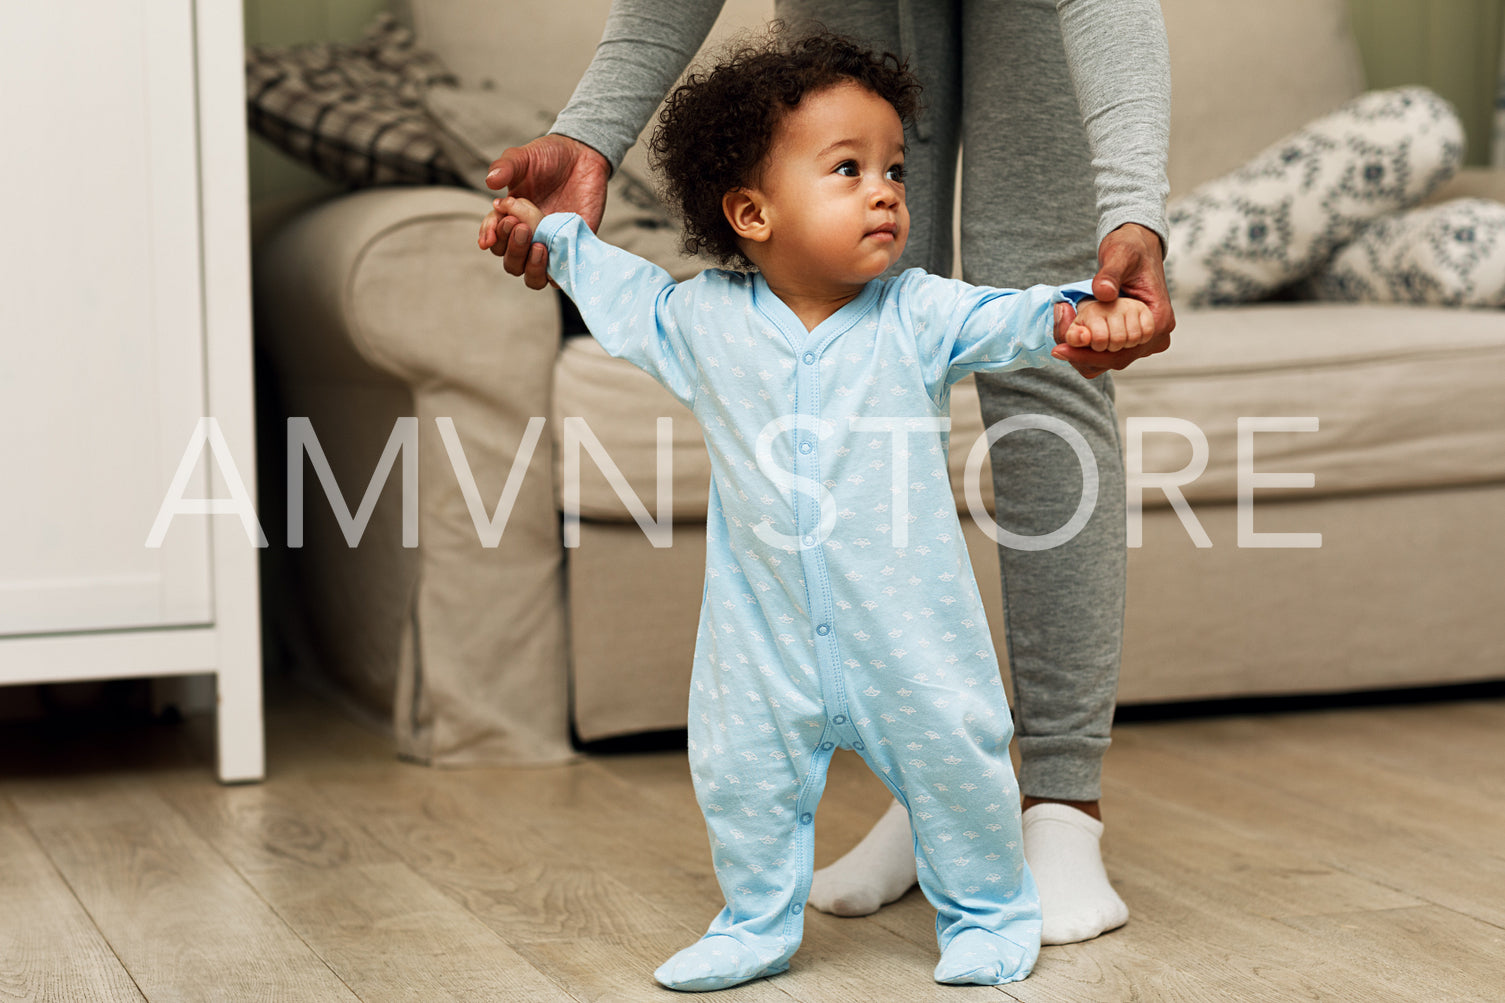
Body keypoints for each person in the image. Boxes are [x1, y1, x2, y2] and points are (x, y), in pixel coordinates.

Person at [486, 0, 1174, 949]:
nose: (889, 188)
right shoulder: (708, 321)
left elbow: (1033, 312)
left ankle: (1055, 807)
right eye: (865, 173)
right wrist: (588, 143)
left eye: (893, 172)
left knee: (1023, 364)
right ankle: (928, 800)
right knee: (860, 276)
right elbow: (632, 295)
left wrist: (1121, 232)